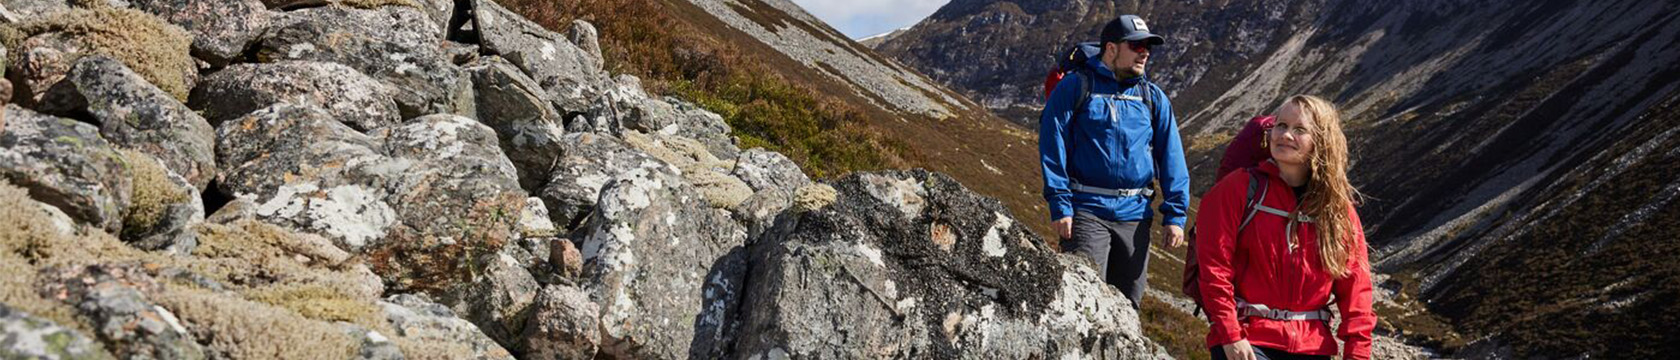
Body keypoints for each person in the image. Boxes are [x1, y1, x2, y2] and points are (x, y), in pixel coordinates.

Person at [1195, 95, 1376, 360]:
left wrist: (1358, 354)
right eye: (1280, 126)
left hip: (1313, 346)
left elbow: (1356, 290)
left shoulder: (1337, 210)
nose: (1285, 135)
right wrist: (1230, 335)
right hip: (1247, 342)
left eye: (1299, 129)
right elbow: (1214, 269)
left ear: (1321, 141)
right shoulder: (1239, 189)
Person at [1038, 14, 1190, 310]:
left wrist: (1175, 215)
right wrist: (1059, 202)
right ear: (1111, 49)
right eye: (1135, 45)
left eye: (1147, 46)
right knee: (1083, 302)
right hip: (1086, 211)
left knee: (1128, 305)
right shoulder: (1075, 87)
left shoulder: (1152, 97)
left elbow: (1171, 156)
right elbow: (1052, 143)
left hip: (1135, 216)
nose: (1144, 51)